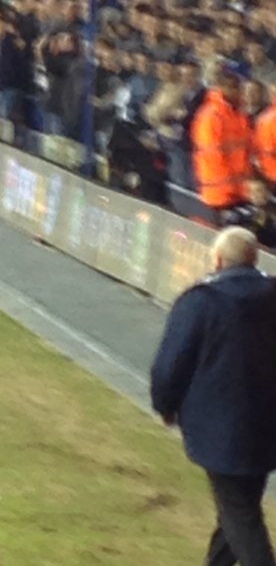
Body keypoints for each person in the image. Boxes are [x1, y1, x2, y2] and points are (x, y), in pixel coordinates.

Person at [151, 226, 276, 566]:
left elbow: (171, 363)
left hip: (219, 429)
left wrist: (164, 406)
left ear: (218, 260)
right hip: (267, 427)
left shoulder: (201, 301)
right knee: (238, 507)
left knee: (240, 513)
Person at [191, 70, 253, 215]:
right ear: (223, 88)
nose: (239, 92)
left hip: (239, 189)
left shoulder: (238, 113)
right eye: (235, 88)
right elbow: (213, 155)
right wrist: (231, 189)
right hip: (221, 192)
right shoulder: (212, 115)